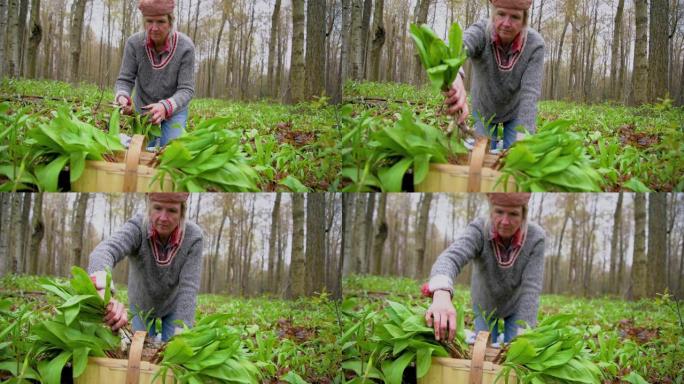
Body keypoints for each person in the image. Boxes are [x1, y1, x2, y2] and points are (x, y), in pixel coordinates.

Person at [424, 193, 545, 345]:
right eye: (499, 212)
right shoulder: (479, 229)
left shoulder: (536, 237)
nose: (505, 221)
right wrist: (441, 292)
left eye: (513, 214)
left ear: (524, 215)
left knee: (514, 350)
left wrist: (523, 333)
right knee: (484, 348)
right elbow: (451, 257)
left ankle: (505, 338)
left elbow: (532, 287)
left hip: (517, 305)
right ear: (491, 211)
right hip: (484, 303)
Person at [87, 193, 204, 342]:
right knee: (141, 348)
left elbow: (189, 286)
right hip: (141, 304)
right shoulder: (137, 228)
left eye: (172, 211)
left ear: (182, 212)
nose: (163, 217)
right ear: (149, 208)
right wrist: (103, 291)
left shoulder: (194, 237)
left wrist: (182, 330)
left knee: (172, 348)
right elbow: (104, 251)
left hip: (173, 305)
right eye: (157, 208)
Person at [444, 0, 544, 151]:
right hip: (484, 108)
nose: (506, 23)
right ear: (492, 14)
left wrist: (524, 138)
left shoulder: (535, 45)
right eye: (501, 14)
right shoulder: (481, 32)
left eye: (515, 17)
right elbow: (457, 48)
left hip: (514, 111)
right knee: (482, 153)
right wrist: (454, 73)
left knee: (515, 153)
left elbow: (530, 93)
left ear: (524, 21)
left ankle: (505, 146)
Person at [114, 0, 195, 148]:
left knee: (169, 150)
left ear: (170, 22)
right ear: (143, 21)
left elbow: (187, 89)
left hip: (174, 110)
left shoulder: (186, 47)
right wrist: (122, 96)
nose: (154, 28)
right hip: (145, 111)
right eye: (149, 21)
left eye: (161, 21)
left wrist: (165, 107)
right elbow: (125, 80)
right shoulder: (134, 44)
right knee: (143, 151)